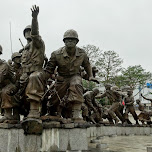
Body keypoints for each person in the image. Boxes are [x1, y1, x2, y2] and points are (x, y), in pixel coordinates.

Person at [45, 29, 96, 121]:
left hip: (74, 75)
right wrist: (44, 78)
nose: (70, 42)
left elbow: (87, 65)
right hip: (61, 77)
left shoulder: (82, 53)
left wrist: (91, 76)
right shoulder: (56, 54)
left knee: (77, 84)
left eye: (72, 40)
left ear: (76, 42)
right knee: (56, 97)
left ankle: (76, 112)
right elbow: (49, 69)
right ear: (64, 42)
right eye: (67, 40)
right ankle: (52, 110)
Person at [19, 5, 45, 119]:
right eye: (26, 32)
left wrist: (34, 18)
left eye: (30, 31)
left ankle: (34, 110)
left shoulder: (37, 43)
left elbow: (35, 33)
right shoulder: (23, 50)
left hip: (37, 72)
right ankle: (13, 113)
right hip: (24, 73)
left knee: (34, 78)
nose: (29, 33)